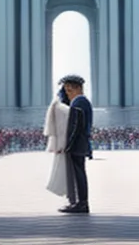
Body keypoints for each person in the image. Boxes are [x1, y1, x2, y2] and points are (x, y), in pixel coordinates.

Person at [60, 74, 92, 214]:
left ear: (78, 88)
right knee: (78, 173)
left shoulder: (79, 102)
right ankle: (79, 202)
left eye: (69, 90)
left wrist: (68, 144)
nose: (67, 94)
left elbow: (76, 126)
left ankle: (82, 203)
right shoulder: (81, 101)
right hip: (80, 143)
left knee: (78, 174)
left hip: (77, 144)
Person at [44, 83, 72, 208]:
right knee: (67, 173)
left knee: (66, 172)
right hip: (65, 145)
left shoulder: (58, 106)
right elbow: (60, 129)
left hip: (63, 145)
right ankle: (71, 198)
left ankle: (71, 198)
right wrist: (61, 145)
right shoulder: (61, 108)